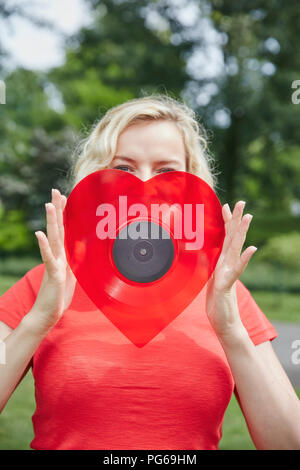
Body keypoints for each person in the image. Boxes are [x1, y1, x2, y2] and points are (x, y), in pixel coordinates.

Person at [0, 95, 299, 451]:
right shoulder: (45, 283)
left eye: (166, 171)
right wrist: (38, 321)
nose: (144, 187)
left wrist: (232, 331)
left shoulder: (225, 293)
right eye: (123, 169)